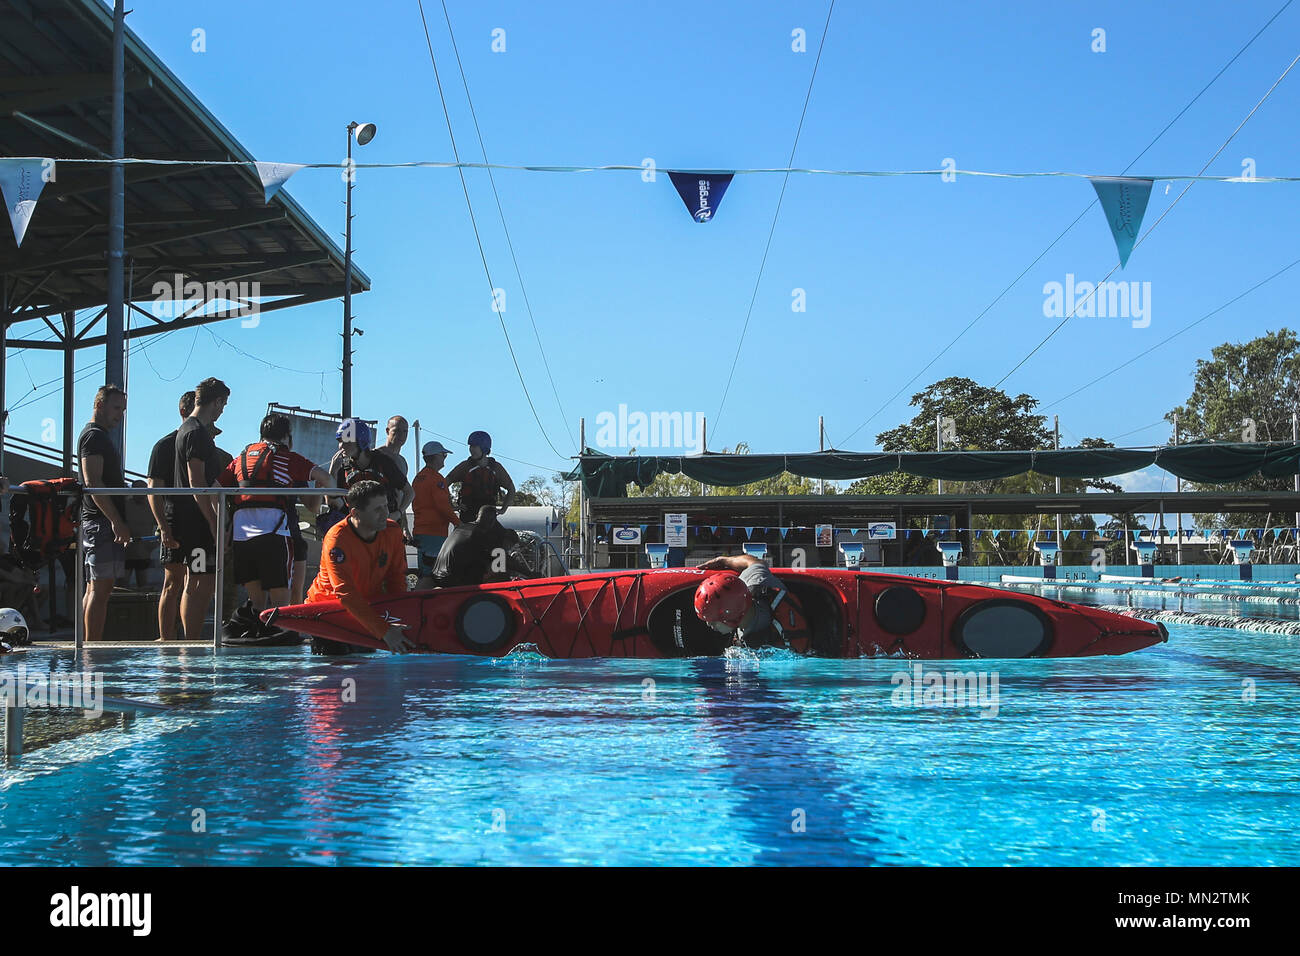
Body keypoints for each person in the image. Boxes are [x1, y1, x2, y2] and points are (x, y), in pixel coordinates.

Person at [216, 413, 330, 611]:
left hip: (241, 534)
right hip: (276, 532)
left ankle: (259, 634)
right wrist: (324, 490)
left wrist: (222, 521)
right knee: (282, 602)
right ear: (287, 435)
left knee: (258, 603)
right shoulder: (288, 459)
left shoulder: (240, 459)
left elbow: (213, 488)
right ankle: (285, 634)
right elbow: (325, 483)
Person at [307, 480, 413, 653]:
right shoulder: (337, 539)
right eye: (377, 509)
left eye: (385, 506)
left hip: (364, 609)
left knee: (369, 672)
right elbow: (345, 592)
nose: (385, 513)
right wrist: (384, 631)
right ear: (355, 513)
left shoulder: (392, 531)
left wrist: (398, 618)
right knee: (338, 670)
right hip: (327, 614)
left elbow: (396, 579)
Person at [173, 377, 229, 642]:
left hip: (190, 519)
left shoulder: (187, 428)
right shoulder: (196, 432)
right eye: (223, 405)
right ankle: (191, 641)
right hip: (196, 521)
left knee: (196, 581)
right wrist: (213, 521)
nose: (222, 411)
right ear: (216, 401)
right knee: (199, 582)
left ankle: (190, 640)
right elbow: (197, 481)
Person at [78, 384, 130, 642]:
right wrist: (116, 521)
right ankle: (91, 646)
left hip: (100, 521)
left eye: (122, 409)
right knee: (100, 588)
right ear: (100, 405)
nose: (119, 415)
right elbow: (93, 482)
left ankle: (90, 645)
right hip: (100, 523)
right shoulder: (94, 437)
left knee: (97, 588)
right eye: (116, 408)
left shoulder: (99, 436)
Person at [147, 390, 196, 640]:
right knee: (173, 581)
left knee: (194, 581)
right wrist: (163, 527)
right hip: (173, 524)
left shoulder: (202, 443)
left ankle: (189, 638)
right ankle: (166, 637)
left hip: (197, 525)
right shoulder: (164, 445)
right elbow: (153, 491)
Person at [694, 553, 809, 652]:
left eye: (713, 621)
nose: (708, 625)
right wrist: (725, 560)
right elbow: (755, 562)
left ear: (732, 618)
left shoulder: (774, 644)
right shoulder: (752, 581)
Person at [328, 417, 410, 534]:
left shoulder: (382, 461)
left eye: (346, 441)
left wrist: (398, 514)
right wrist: (332, 471)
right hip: (357, 530)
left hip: (384, 528)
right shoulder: (342, 467)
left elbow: (409, 492)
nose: (341, 446)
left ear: (360, 441)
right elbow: (331, 501)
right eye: (340, 441)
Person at [429, 505, 532, 589]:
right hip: (452, 580)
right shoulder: (481, 534)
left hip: (436, 575)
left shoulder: (461, 528)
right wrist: (530, 574)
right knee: (500, 572)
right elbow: (503, 559)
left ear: (477, 516)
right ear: (493, 521)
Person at [411, 440, 459, 587]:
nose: (445, 458)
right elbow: (442, 506)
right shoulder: (437, 479)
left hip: (421, 531)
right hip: (434, 533)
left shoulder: (419, 478)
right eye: (443, 455)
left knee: (425, 572)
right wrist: (459, 524)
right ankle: (420, 605)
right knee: (431, 575)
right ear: (436, 457)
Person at [446, 430, 515, 525]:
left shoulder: (496, 468)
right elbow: (444, 484)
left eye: (474, 446)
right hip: (467, 515)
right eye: (470, 446)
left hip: (488, 516)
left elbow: (511, 489)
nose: (471, 449)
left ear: (484, 448)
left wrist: (503, 509)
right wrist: (452, 506)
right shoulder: (465, 466)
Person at [121, 480, 157, 589]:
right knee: (123, 583)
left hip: (144, 551)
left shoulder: (151, 506)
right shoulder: (125, 506)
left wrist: (153, 544)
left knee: (143, 584)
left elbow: (158, 525)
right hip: (126, 551)